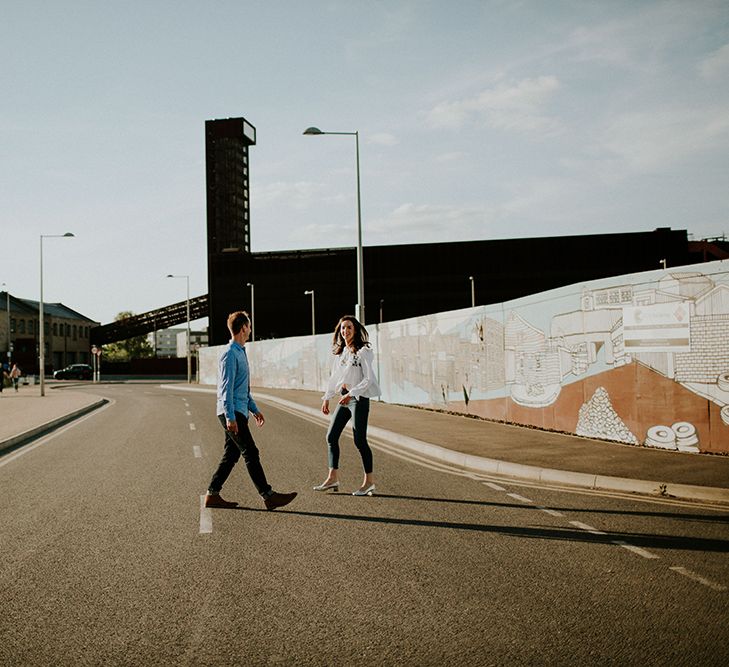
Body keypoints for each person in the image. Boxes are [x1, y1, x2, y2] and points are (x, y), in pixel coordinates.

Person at [204, 310, 297, 511]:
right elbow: (226, 389)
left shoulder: (240, 352)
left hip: (239, 409)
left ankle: (212, 494)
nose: (251, 329)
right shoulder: (229, 354)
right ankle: (268, 495)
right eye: (249, 325)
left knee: (232, 454)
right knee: (250, 451)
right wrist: (230, 416)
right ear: (243, 328)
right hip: (231, 411)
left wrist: (254, 409)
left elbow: (241, 388)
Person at [315, 315, 381, 496]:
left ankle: (369, 482)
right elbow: (335, 377)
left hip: (358, 399)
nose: (345, 331)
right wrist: (327, 397)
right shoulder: (342, 352)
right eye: (343, 328)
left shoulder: (364, 351)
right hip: (344, 398)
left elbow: (368, 379)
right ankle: (332, 478)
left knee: (360, 440)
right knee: (331, 436)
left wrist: (351, 394)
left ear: (356, 330)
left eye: (349, 328)